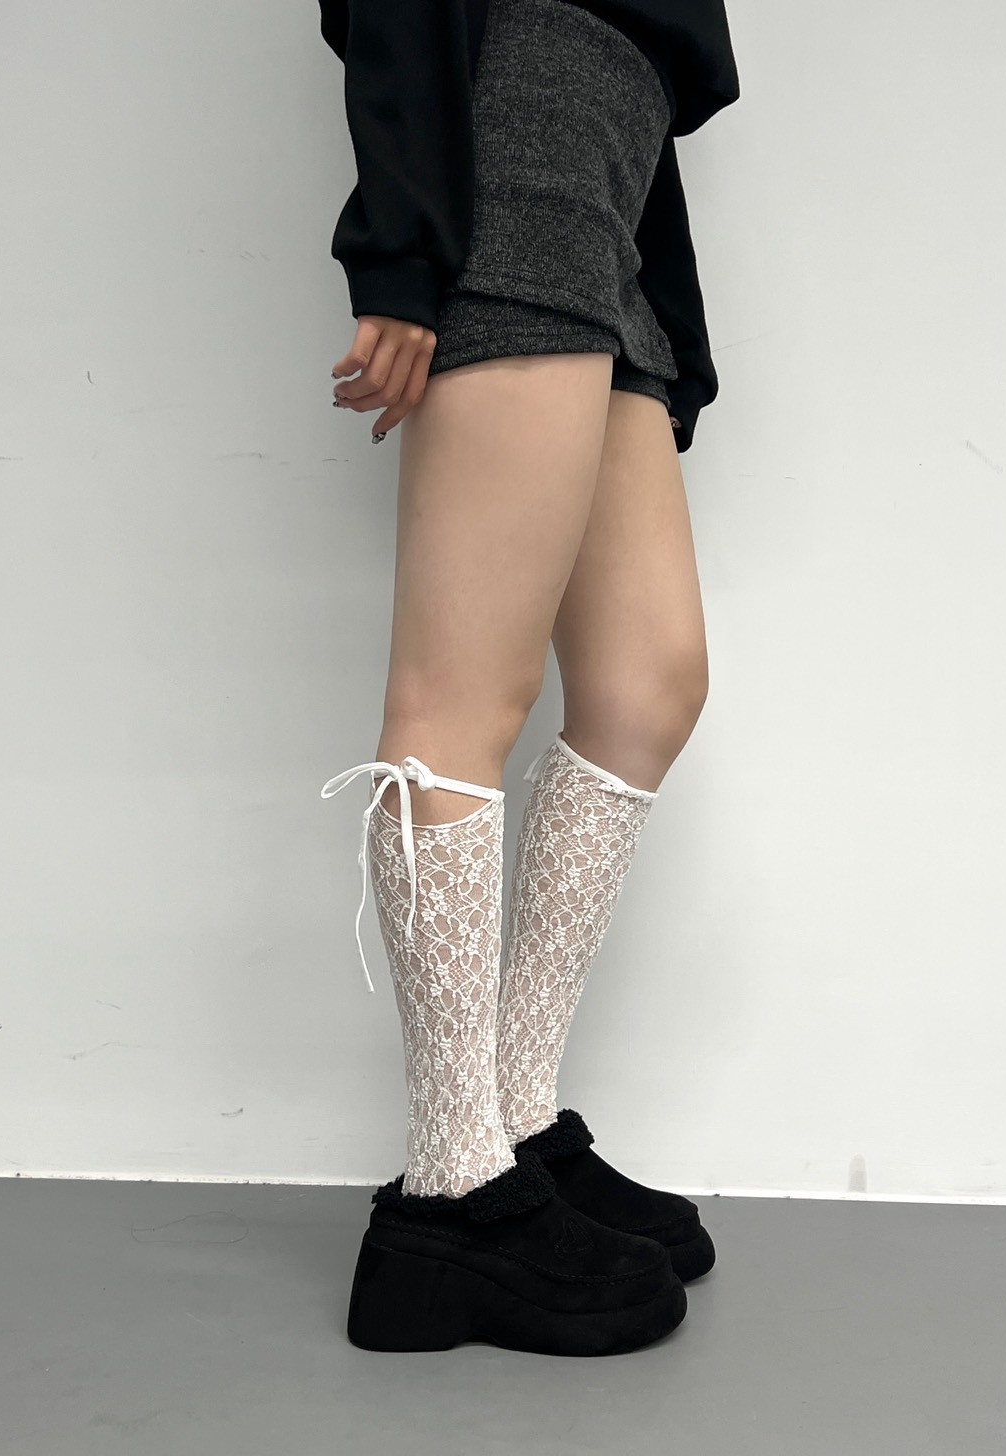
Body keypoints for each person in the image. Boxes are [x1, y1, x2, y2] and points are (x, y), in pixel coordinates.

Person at [317, 0, 740, 1355]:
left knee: (647, 683)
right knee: (457, 695)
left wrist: (667, 311)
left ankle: (514, 1120)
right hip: (514, 151)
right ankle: (448, 1195)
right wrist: (401, 251)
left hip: (614, 188)